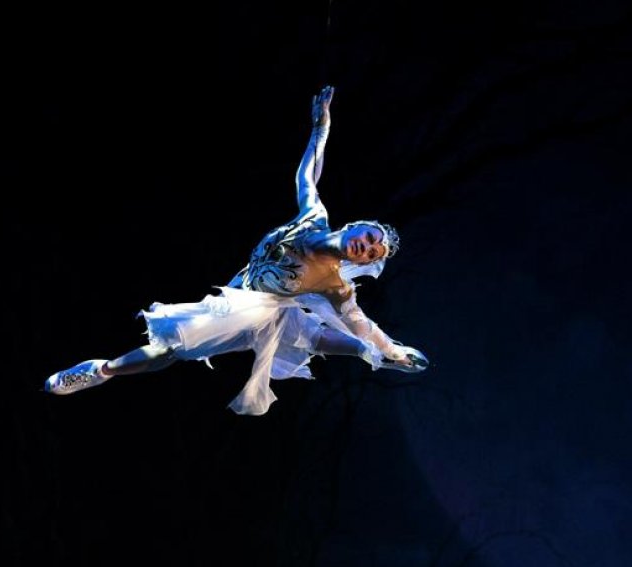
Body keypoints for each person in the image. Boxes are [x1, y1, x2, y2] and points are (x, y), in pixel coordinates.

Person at [45, 86, 427, 415]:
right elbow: (308, 175)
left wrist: (390, 348)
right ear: (354, 226)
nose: (369, 247)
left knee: (177, 344)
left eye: (372, 254)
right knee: (301, 333)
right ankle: (375, 355)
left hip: (252, 309)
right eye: (371, 237)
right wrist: (320, 128)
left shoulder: (331, 283)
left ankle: (100, 372)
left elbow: (359, 320)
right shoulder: (313, 218)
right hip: (241, 286)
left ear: (360, 261)